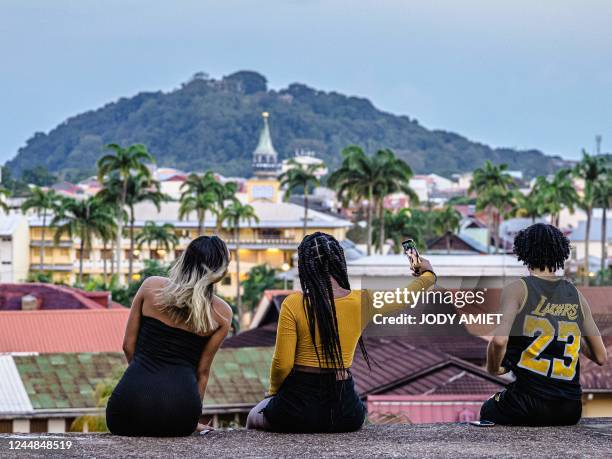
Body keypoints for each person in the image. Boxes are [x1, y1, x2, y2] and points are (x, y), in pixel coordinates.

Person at [247, 232, 436, 433]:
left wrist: (273, 394)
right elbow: (404, 297)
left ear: (305, 267)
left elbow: (282, 363)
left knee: (253, 416)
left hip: (297, 408)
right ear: (339, 263)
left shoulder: (293, 304)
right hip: (345, 410)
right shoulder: (363, 300)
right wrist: (429, 275)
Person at [106, 236, 233, 436]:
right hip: (180, 417)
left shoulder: (151, 287)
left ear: (184, 259)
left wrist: (146, 379)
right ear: (219, 272)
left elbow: (128, 346)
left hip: (126, 410)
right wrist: (190, 419)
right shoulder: (222, 314)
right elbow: (202, 372)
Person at [481, 223, 607, 426]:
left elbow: (499, 341)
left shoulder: (517, 289)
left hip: (529, 405)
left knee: (488, 408)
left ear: (523, 252)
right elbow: (600, 356)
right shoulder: (575, 294)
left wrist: (494, 368)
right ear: (560, 253)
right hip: (570, 409)